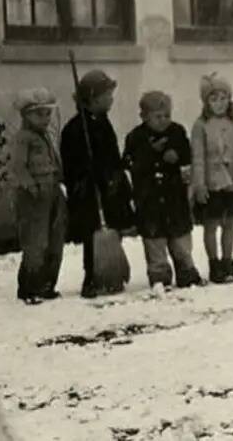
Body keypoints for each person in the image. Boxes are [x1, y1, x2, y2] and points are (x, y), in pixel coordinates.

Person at [61, 69, 136, 298]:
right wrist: (86, 173)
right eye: (107, 95)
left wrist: (117, 171)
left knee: (112, 229)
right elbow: (70, 162)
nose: (112, 99)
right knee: (92, 234)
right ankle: (92, 275)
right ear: (93, 98)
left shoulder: (104, 122)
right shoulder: (75, 129)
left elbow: (111, 152)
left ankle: (111, 270)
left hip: (110, 187)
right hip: (89, 192)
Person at [123, 91, 205, 292]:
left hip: (174, 195)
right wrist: (151, 154)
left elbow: (187, 155)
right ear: (144, 116)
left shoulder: (177, 132)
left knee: (180, 237)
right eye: (158, 117)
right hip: (149, 198)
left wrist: (177, 155)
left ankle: (186, 270)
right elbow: (129, 163)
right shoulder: (135, 137)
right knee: (154, 240)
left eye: (167, 115)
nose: (164, 121)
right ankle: (159, 274)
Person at [191, 73, 233, 284]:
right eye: (214, 99)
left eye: (223, 98)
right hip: (212, 182)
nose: (219, 103)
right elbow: (197, 157)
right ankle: (214, 264)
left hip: (232, 180)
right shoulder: (201, 126)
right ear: (206, 102)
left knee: (229, 223)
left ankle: (227, 261)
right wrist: (199, 184)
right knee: (212, 224)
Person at [10, 87, 66, 304]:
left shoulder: (47, 137)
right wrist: (30, 186)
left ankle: (47, 284)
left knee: (55, 237)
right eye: (38, 114)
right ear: (25, 115)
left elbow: (54, 161)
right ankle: (29, 287)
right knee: (36, 240)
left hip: (51, 191)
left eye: (47, 114)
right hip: (33, 195)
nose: (44, 119)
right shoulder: (23, 139)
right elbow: (18, 167)